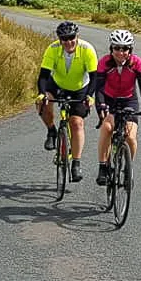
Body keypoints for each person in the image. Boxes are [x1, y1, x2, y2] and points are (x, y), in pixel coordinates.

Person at [36, 21, 97, 183]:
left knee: (76, 123)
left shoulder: (87, 49)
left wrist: (90, 96)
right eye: (64, 39)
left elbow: (94, 77)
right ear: (59, 39)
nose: (69, 42)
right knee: (42, 102)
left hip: (80, 88)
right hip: (57, 84)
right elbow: (43, 75)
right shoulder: (53, 49)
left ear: (78, 36)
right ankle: (51, 131)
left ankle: (76, 163)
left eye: (72, 38)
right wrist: (42, 94)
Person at [94, 29, 141, 186]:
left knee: (130, 137)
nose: (121, 52)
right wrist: (101, 105)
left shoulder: (137, 64)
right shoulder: (104, 63)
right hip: (108, 99)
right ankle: (103, 166)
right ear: (111, 48)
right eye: (117, 48)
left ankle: (128, 168)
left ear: (130, 50)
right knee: (107, 128)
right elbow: (98, 88)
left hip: (129, 101)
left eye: (125, 48)